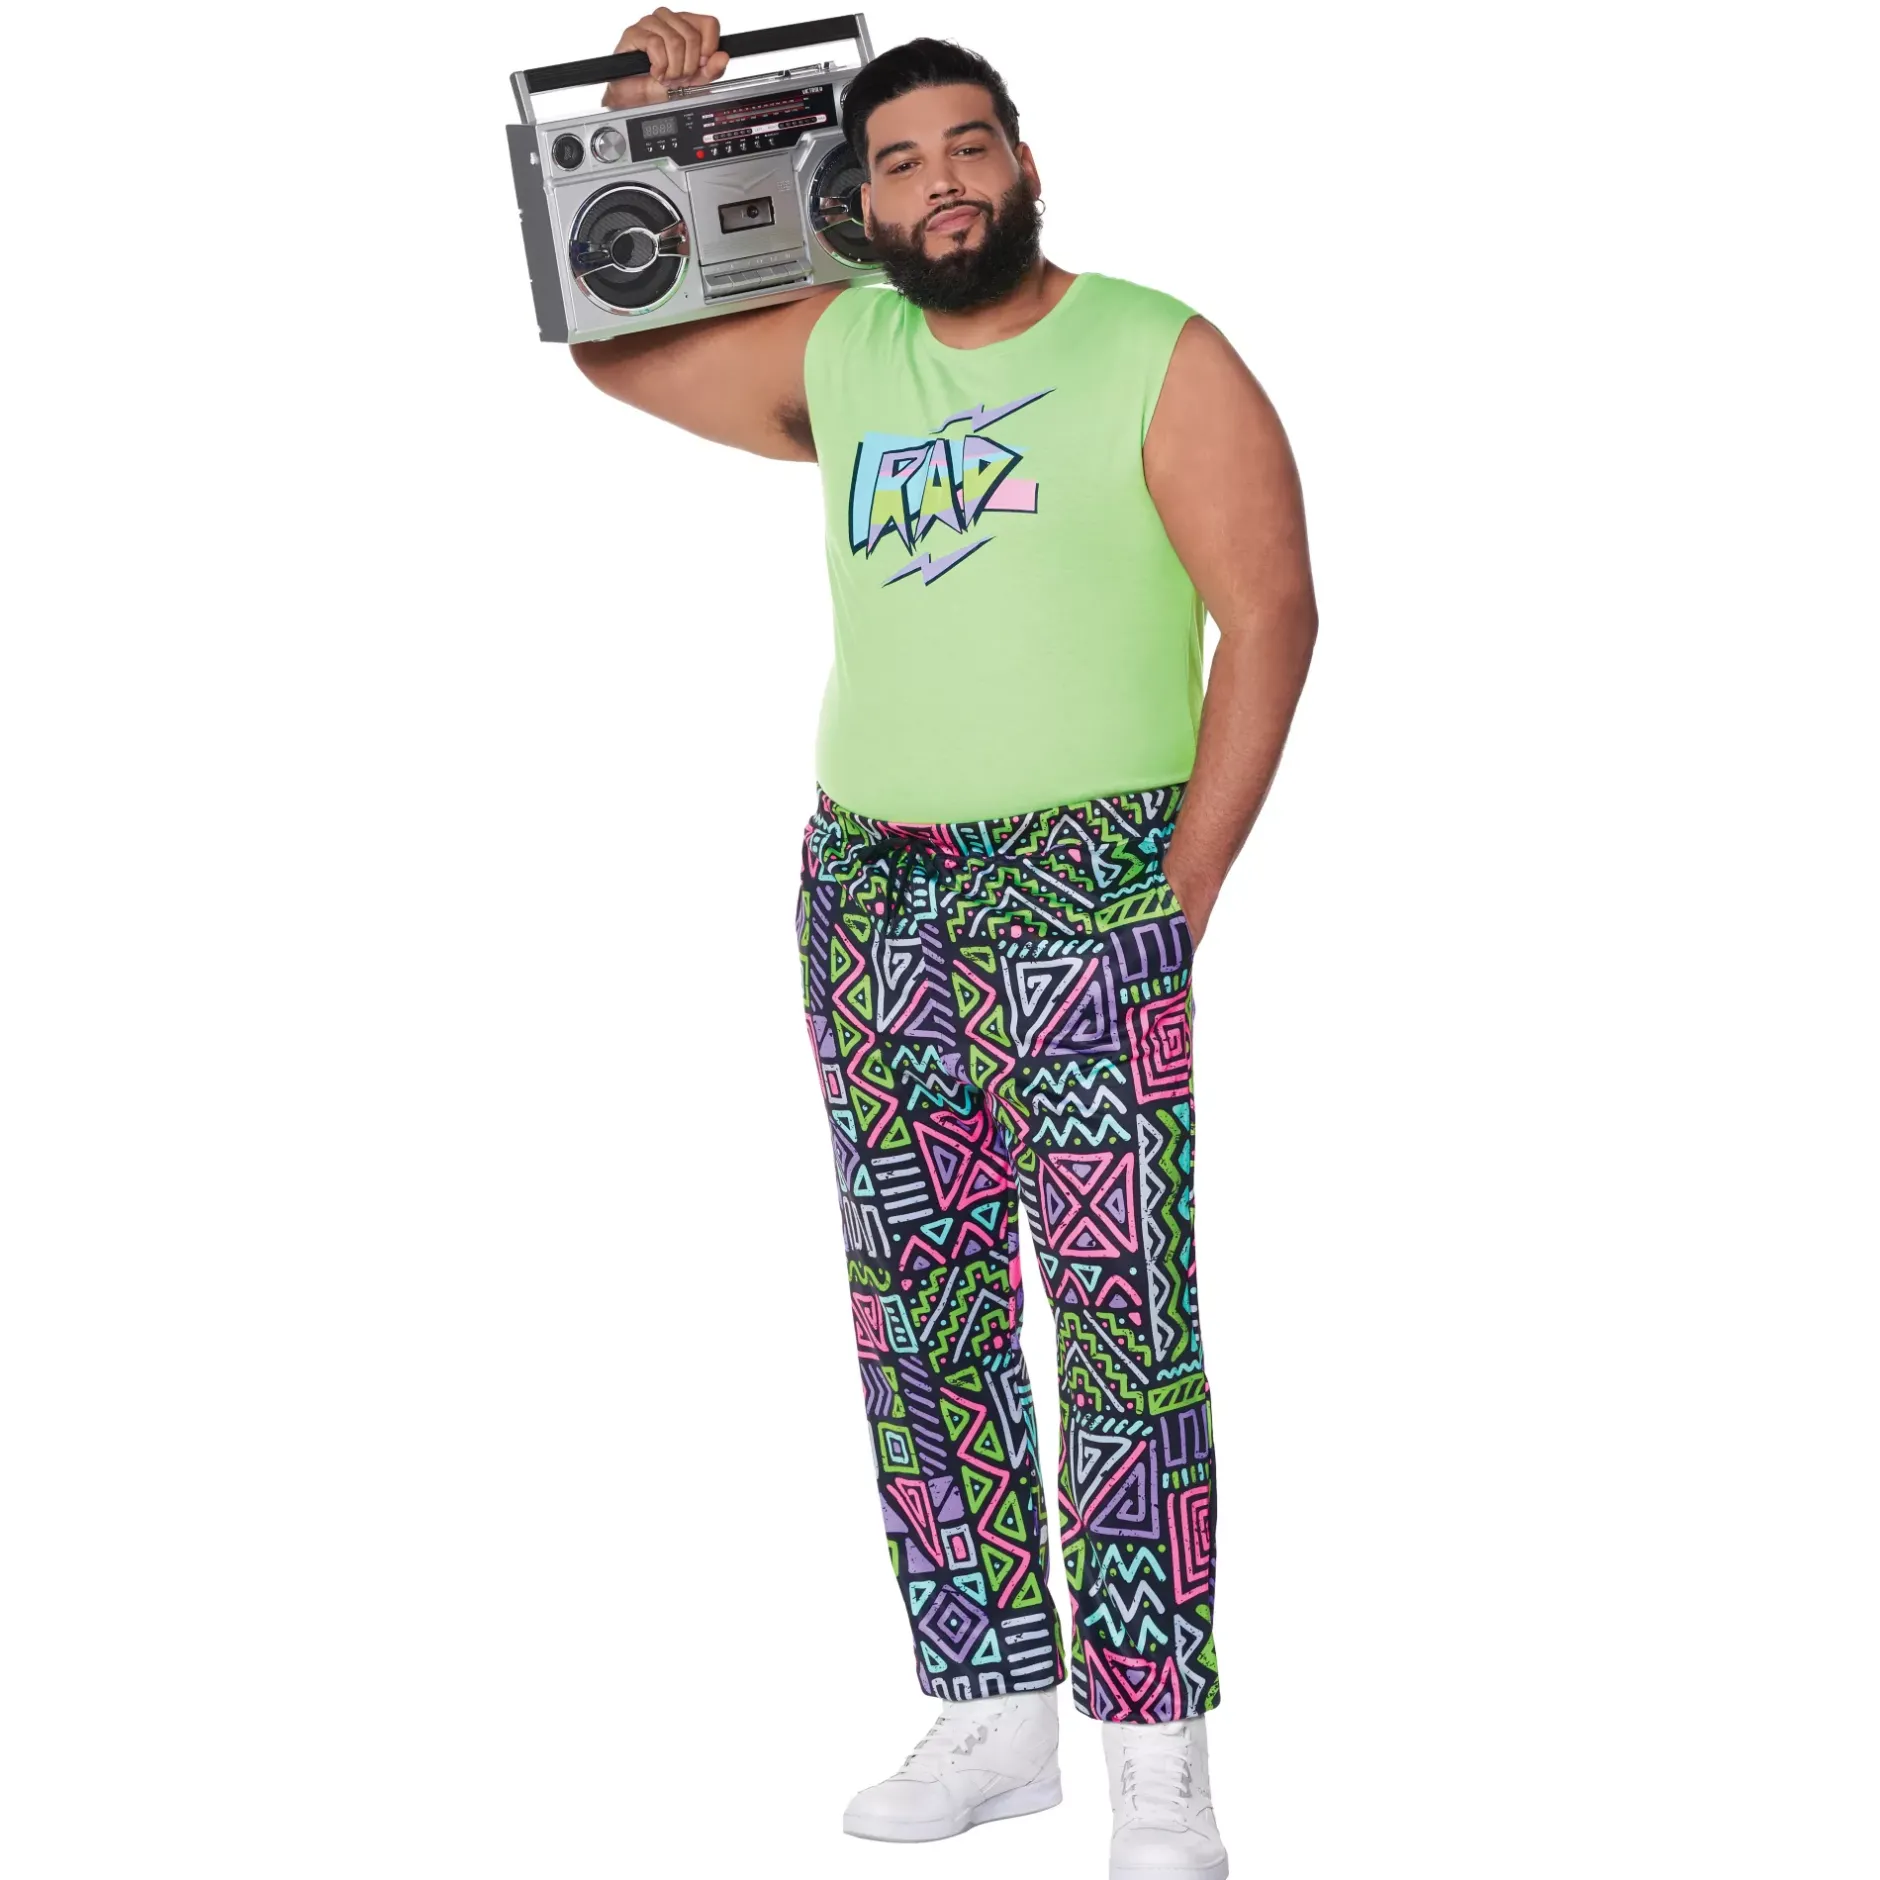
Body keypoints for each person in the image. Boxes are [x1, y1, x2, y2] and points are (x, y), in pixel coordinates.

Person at [572, 15, 1317, 1878]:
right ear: (863, 198)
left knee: (1124, 1317)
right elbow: (613, 343)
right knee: (922, 1307)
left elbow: (1273, 616)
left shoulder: (1155, 348)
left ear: (1025, 162)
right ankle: (994, 1709)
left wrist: (1178, 894)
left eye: (969, 145)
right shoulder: (845, 351)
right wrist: (651, 129)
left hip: (1088, 886)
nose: (942, 184)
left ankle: (1156, 1751)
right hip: (870, 887)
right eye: (899, 162)